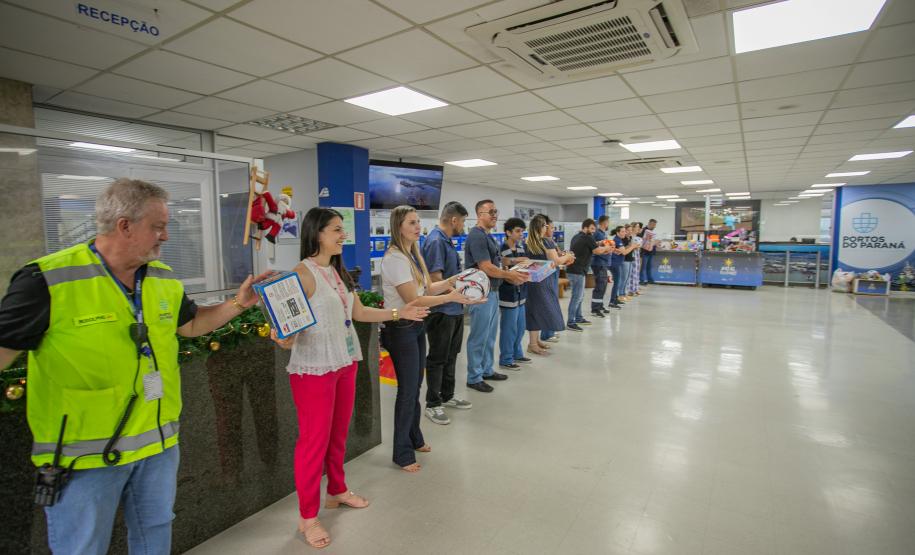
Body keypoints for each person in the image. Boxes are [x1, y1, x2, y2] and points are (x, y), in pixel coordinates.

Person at [0, 179, 271, 554]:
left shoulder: (161, 277)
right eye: (157, 226)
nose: (165, 236)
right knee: (83, 547)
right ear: (124, 225)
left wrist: (239, 304)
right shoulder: (46, 280)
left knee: (154, 539)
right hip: (83, 460)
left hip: (157, 448)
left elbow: (191, 325)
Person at [270, 207, 428, 548]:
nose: (343, 235)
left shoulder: (336, 271)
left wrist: (402, 311)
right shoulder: (302, 273)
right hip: (314, 368)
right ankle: (307, 517)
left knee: (338, 435)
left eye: (342, 229)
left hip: (344, 361)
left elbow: (358, 312)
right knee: (313, 443)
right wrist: (283, 336)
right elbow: (287, 333)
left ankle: (337, 490)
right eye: (336, 230)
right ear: (317, 234)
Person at [380, 206, 479, 452]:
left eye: (418, 222)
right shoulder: (395, 258)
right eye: (412, 223)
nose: (418, 227)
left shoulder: (413, 255)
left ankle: (415, 439)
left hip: (415, 326)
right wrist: (451, 298)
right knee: (407, 392)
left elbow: (428, 288)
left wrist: (454, 281)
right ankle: (402, 451)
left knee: (414, 388)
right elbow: (413, 299)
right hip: (400, 329)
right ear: (398, 227)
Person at [463, 200, 529, 393]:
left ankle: (486, 369)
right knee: (479, 336)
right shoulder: (477, 236)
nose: (494, 215)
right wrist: (510, 275)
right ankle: (474, 377)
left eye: (496, 211)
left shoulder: (488, 236)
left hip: (492, 291)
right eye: (490, 212)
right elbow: (486, 267)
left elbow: (498, 262)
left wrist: (514, 266)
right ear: (479, 214)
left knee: (490, 335)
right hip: (480, 293)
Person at [422, 201, 474, 424]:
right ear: (454, 220)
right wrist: (460, 292)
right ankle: (433, 404)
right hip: (441, 309)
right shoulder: (435, 241)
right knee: (438, 357)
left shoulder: (446, 241)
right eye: (462, 221)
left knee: (452, 356)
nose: (463, 226)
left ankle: (447, 395)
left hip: (454, 308)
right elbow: (436, 278)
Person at [525, 214, 574, 355]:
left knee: (534, 312)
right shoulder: (546, 242)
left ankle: (534, 341)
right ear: (542, 227)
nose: (548, 228)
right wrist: (568, 256)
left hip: (533, 281)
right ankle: (534, 343)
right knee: (545, 310)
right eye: (546, 225)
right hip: (544, 282)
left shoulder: (529, 242)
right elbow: (556, 261)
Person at [498, 218, 533, 370]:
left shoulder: (520, 247)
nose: (521, 234)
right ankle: (506, 359)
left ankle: (517, 353)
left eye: (522, 231)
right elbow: (504, 264)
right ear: (508, 232)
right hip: (508, 294)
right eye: (518, 231)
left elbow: (524, 267)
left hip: (521, 293)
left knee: (520, 327)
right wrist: (517, 262)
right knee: (509, 328)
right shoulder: (502, 248)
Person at [567, 218, 613, 330]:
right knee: (576, 297)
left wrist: (600, 243)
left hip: (573, 270)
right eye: (591, 229)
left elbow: (591, 245)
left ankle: (578, 317)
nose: (593, 231)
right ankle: (570, 322)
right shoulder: (587, 237)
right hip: (578, 271)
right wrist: (606, 248)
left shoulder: (577, 236)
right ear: (585, 227)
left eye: (594, 229)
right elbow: (597, 251)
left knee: (579, 296)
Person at [591, 215, 612, 317]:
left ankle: (600, 305)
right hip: (598, 263)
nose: (608, 224)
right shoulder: (597, 234)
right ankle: (595, 309)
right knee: (600, 286)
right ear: (605, 222)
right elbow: (595, 248)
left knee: (603, 285)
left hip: (604, 263)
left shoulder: (603, 234)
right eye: (608, 222)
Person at [640, 218, 658, 284]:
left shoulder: (652, 232)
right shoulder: (644, 230)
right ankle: (641, 280)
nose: (655, 227)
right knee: (643, 267)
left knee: (649, 267)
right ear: (650, 224)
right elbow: (642, 241)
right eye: (654, 225)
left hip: (651, 252)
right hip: (644, 252)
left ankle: (650, 279)